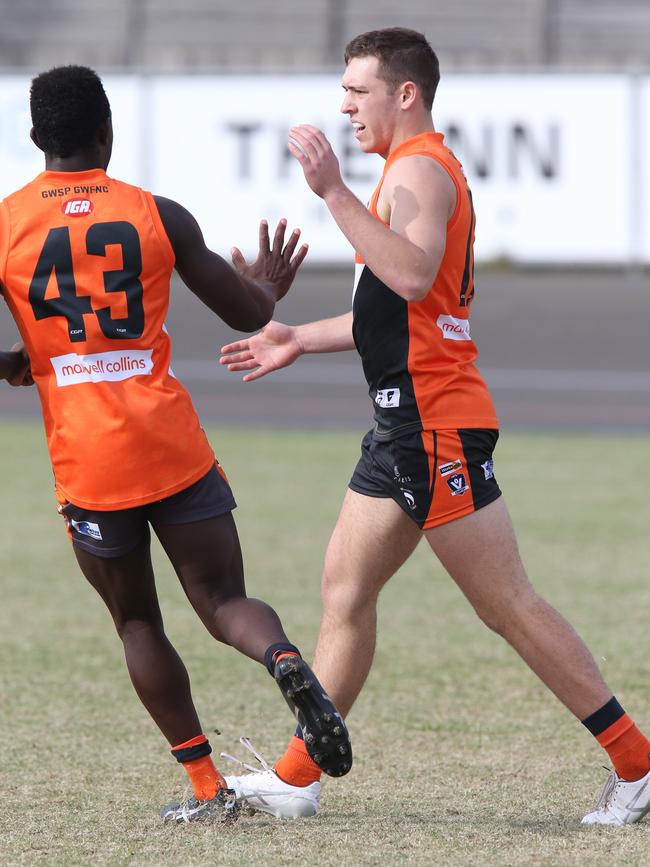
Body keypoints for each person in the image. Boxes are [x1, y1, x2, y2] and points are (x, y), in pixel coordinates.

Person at [220, 28, 650, 826]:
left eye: (358, 90)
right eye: (343, 91)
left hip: (433, 425)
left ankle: (638, 762)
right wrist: (296, 338)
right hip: (401, 428)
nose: (345, 105)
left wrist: (332, 192)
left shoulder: (416, 169)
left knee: (508, 605)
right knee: (345, 592)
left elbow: (413, 274)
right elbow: (394, 310)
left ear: (405, 93)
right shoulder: (404, 172)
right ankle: (296, 774)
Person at [0, 65, 352, 826]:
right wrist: (266, 286)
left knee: (138, 625)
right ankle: (285, 659)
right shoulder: (157, 214)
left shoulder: (5, 225)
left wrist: (22, 361)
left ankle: (204, 787)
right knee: (224, 600)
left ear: (35, 140)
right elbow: (245, 313)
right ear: (107, 134)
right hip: (171, 444)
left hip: (90, 464)